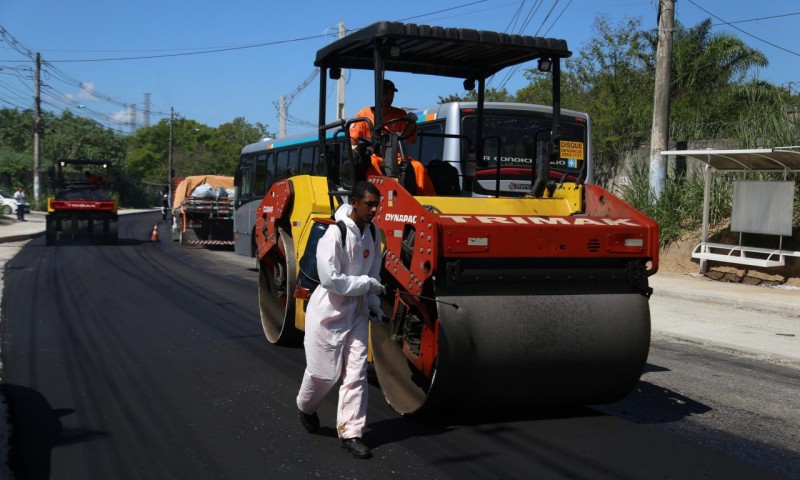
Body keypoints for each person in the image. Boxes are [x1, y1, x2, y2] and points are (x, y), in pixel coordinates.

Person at [296, 181, 385, 459]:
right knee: (325, 374)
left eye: (376, 204)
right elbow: (330, 278)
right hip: (327, 312)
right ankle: (305, 407)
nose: (374, 210)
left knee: (356, 373)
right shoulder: (335, 233)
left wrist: (374, 303)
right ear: (355, 202)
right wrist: (366, 283)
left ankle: (351, 433)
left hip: (356, 312)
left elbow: (374, 276)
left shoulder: (374, 234)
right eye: (369, 204)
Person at [350, 80, 436, 195]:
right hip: (374, 156)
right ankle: (379, 197)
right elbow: (353, 136)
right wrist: (354, 148)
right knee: (372, 166)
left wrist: (411, 126)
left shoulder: (400, 114)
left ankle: (425, 201)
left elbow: (412, 140)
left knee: (418, 167)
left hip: (397, 156)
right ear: (378, 94)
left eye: (391, 94)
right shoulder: (364, 113)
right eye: (386, 93)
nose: (389, 97)